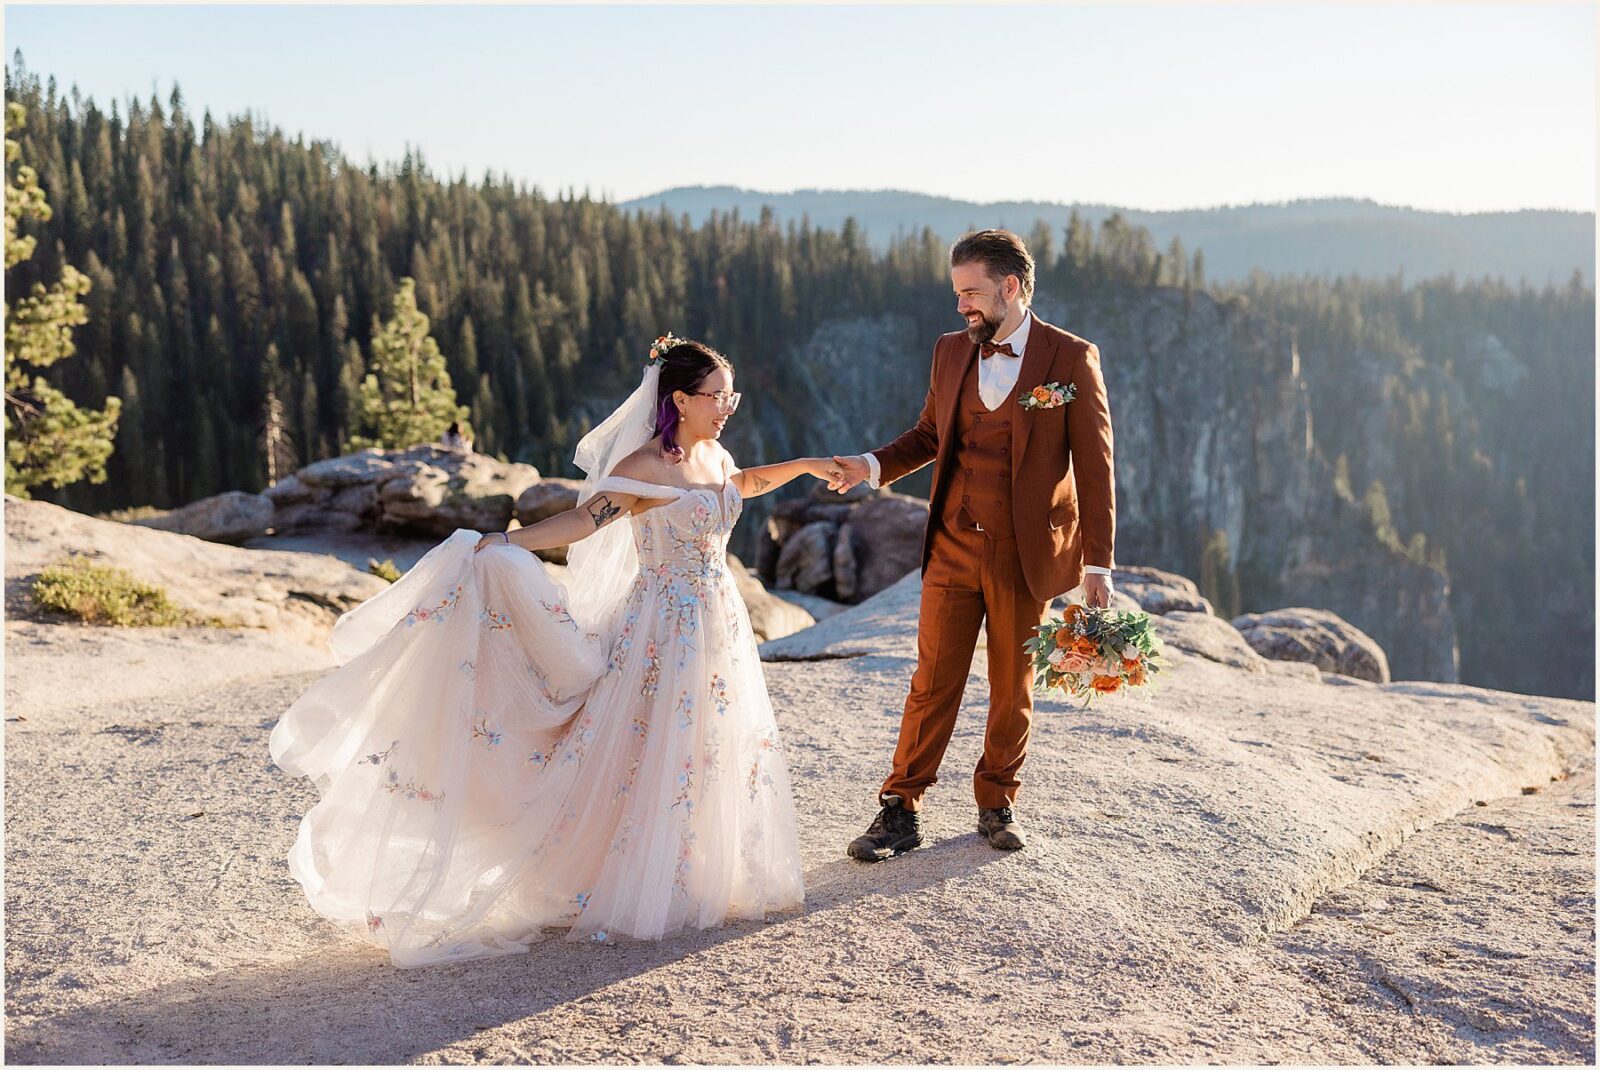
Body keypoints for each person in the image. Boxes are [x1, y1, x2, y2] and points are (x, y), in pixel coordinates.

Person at [270, 335, 837, 967]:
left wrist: (808, 464)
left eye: (732, 394)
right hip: (662, 623)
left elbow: (747, 482)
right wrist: (510, 542)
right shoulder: (647, 466)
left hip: (717, 618)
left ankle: (691, 868)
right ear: (679, 397)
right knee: (649, 742)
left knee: (707, 737)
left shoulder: (715, 453)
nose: (729, 405)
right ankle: (625, 879)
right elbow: (586, 521)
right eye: (718, 395)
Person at [826, 230, 1117, 861]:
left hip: (1023, 553)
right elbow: (929, 434)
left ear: (1010, 288)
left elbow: (1095, 467)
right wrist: (869, 466)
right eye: (958, 294)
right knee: (931, 681)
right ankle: (900, 809)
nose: (963, 307)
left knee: (1012, 684)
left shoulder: (1070, 359)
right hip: (953, 544)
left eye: (972, 294)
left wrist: (1098, 563)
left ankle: (996, 802)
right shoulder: (950, 351)